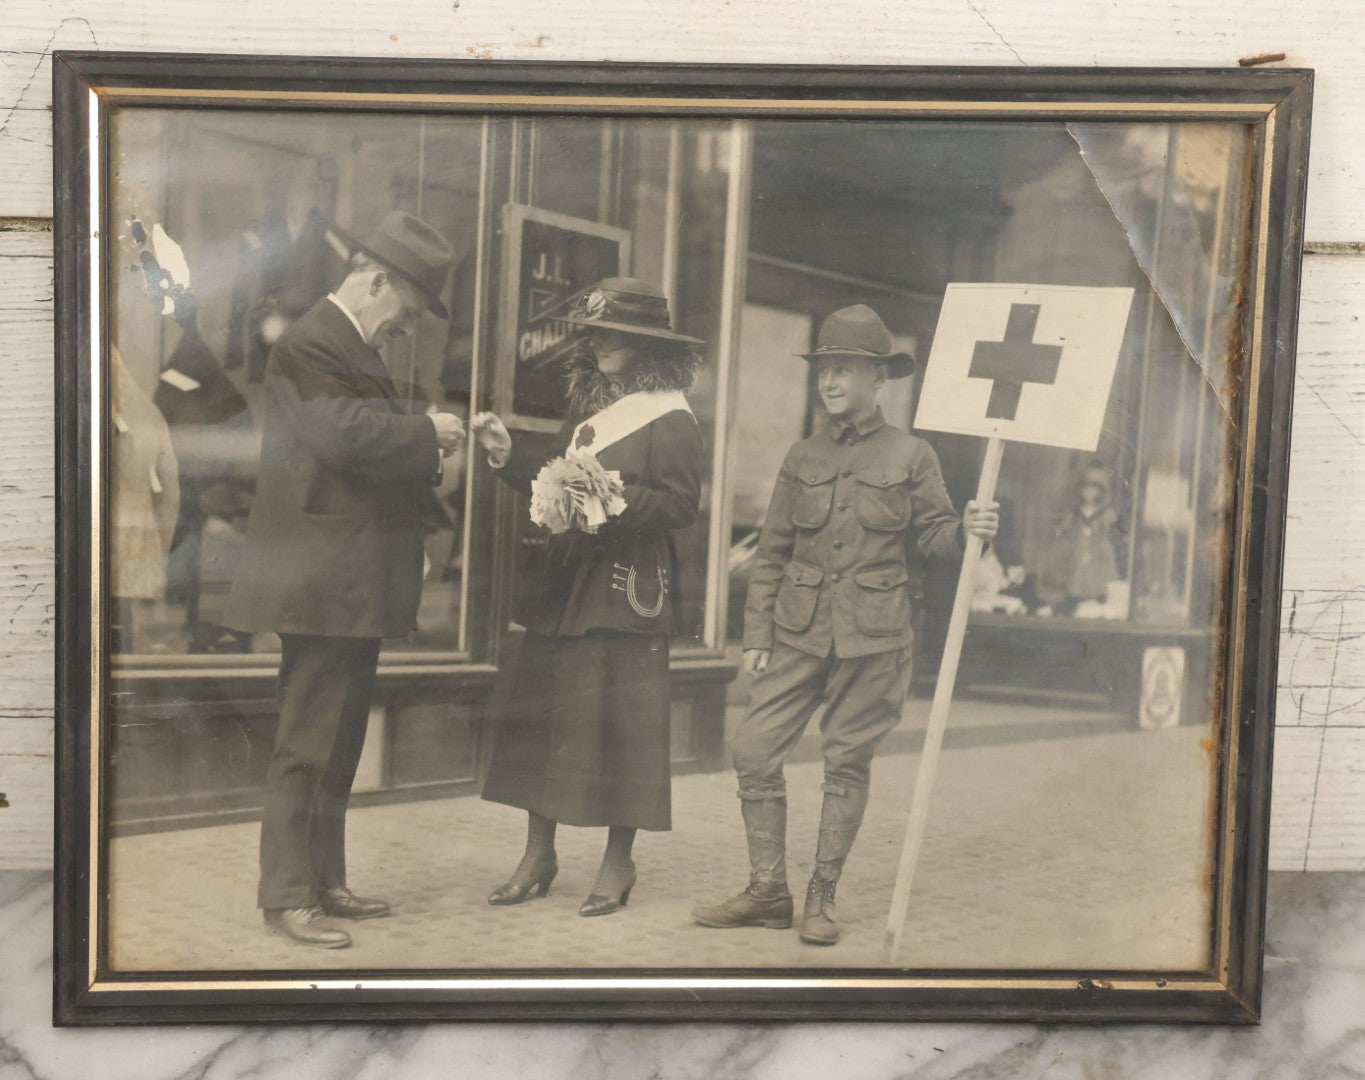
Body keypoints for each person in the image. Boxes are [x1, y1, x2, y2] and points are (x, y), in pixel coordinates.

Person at [692, 304, 1000, 946]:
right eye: (824, 369)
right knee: (752, 748)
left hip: (875, 637)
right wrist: (755, 638)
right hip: (799, 631)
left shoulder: (913, 455)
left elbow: (937, 536)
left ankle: (820, 895)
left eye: (845, 370)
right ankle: (767, 890)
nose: (830, 381)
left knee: (846, 762)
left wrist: (970, 531)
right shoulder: (801, 454)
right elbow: (771, 552)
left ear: (878, 378)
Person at [224, 211, 465, 948]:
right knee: (306, 742)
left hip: (351, 582)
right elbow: (346, 438)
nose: (405, 325)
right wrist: (432, 430)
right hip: (325, 583)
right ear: (375, 278)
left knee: (338, 743)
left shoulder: (348, 345)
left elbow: (363, 449)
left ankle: (325, 882)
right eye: (406, 308)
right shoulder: (309, 343)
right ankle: (286, 896)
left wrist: (427, 472)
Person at [469, 277, 705, 918]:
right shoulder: (592, 410)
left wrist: (613, 495)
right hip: (567, 581)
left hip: (627, 588)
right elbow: (560, 481)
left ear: (643, 343)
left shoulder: (672, 416)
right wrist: (507, 457)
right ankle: (537, 853)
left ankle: (618, 861)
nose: (596, 342)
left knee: (619, 724)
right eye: (593, 332)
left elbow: (682, 506)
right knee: (546, 713)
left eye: (610, 333)